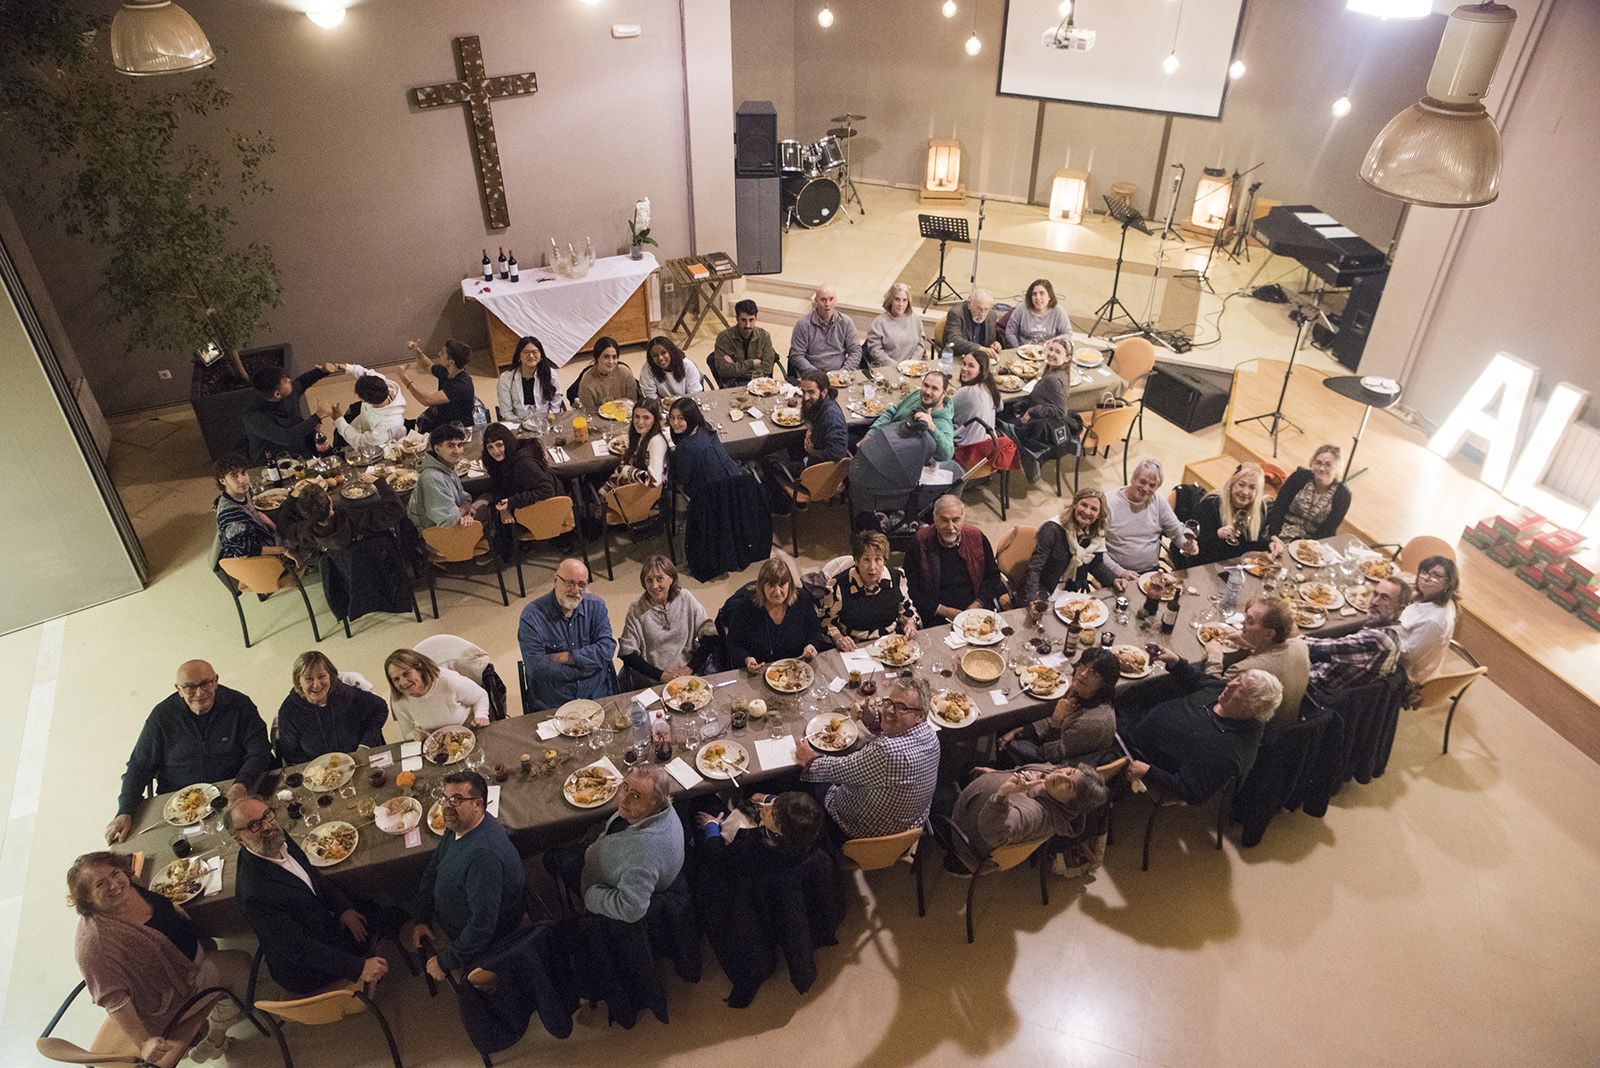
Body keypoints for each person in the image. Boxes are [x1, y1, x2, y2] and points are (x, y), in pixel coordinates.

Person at [68, 852, 251, 1065]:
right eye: (100, 884)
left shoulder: (129, 886)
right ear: (87, 899)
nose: (114, 884)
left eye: (115, 873)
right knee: (243, 966)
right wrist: (144, 1043)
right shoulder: (95, 944)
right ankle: (215, 1039)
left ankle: (208, 1031)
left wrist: (170, 907)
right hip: (173, 997)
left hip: (189, 964)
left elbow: (152, 902)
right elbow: (114, 1000)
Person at [231, 797, 396, 996]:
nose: (267, 825)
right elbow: (299, 950)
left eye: (267, 815)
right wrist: (357, 967)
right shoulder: (254, 894)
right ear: (239, 839)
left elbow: (312, 875)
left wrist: (343, 908)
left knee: (377, 909)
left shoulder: (276, 838)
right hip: (307, 968)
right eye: (254, 825)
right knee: (383, 918)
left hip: (320, 921)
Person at [106, 661, 271, 845]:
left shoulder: (240, 705)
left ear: (215, 681)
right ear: (178, 689)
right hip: (180, 808)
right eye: (190, 687)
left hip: (233, 793)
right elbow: (139, 766)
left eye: (205, 684)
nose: (199, 693)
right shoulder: (161, 717)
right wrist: (125, 811)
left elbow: (260, 751)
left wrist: (241, 785)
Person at [410, 771, 526, 981]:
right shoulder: (458, 825)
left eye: (456, 799)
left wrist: (446, 961)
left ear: (478, 804)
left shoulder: (483, 858)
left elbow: (482, 926)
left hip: (484, 938)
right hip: (451, 917)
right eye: (444, 798)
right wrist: (422, 916)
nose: (446, 806)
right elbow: (433, 869)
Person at [796, 676, 941, 841]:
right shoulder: (931, 735)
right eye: (888, 702)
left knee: (805, 782)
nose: (890, 710)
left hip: (862, 833)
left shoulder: (886, 752)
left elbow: (837, 769)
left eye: (901, 707)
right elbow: (898, 733)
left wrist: (810, 759)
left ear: (920, 716)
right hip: (908, 828)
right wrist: (873, 718)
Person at [1124, 669, 1285, 804]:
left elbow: (1193, 792)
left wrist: (1149, 771)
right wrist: (1177, 662)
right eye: (1238, 679)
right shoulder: (1227, 699)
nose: (1230, 684)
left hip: (1138, 742)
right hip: (1147, 712)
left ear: (1250, 709)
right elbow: (1200, 680)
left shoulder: (1226, 749)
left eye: (1240, 690)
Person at [578, 766, 686, 923]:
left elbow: (631, 909)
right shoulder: (663, 809)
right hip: (610, 855)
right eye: (626, 787)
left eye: (636, 796)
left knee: (554, 858)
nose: (624, 799)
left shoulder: (644, 856)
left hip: (601, 884)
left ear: (656, 803)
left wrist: (592, 897)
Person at [950, 763, 1106, 870]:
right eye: (1070, 772)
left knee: (939, 788)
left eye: (1069, 785)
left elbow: (994, 832)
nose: (1060, 775)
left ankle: (956, 865)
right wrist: (995, 774)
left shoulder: (1037, 815)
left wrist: (1002, 794)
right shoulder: (1053, 784)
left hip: (964, 830)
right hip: (978, 794)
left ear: (1069, 804)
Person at [517, 557, 617, 708]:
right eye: (570, 583)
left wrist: (568, 656)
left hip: (596, 695)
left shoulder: (596, 607)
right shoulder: (531, 616)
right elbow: (536, 667)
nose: (576, 590)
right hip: (553, 703)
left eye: (582, 585)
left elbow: (607, 649)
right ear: (555, 580)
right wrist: (585, 667)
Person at [1000, 646, 1120, 765]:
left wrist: (1056, 722)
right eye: (1082, 666)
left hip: (1062, 766)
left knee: (1008, 744)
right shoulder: (1080, 690)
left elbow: (1054, 758)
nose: (1082, 674)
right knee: (1009, 725)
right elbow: (1057, 718)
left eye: (1093, 673)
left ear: (1105, 684)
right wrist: (1018, 731)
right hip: (1057, 741)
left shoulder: (1093, 722)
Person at [1203, 596, 1311, 727]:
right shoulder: (1300, 645)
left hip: (1254, 734)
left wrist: (1215, 656)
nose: (1243, 624)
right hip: (1290, 728)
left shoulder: (1245, 671)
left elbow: (1209, 693)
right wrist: (1252, 643)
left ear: (1269, 634)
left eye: (1250, 621)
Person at [904, 494, 1007, 625]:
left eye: (956, 520)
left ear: (963, 519)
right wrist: (943, 610)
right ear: (934, 519)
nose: (951, 527)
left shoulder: (976, 536)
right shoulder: (919, 542)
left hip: (976, 609)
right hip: (937, 613)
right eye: (944, 520)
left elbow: (992, 577)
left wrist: (977, 604)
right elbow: (911, 588)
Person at [274, 651, 389, 765]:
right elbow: (291, 753)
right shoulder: (289, 711)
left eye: (322, 676)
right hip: (319, 774)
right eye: (309, 679)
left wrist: (365, 745)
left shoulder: (345, 693)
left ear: (330, 676)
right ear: (298, 682)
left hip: (357, 761)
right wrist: (315, 771)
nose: (317, 685)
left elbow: (380, 708)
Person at [618, 554, 714, 689]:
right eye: (649, 580)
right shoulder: (637, 609)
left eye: (660, 579)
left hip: (690, 673)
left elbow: (710, 635)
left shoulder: (685, 598)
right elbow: (627, 653)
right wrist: (661, 675)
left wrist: (689, 669)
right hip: (653, 680)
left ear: (671, 579)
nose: (654, 586)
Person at [1099, 459, 1198, 588]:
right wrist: (1120, 571)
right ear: (1133, 478)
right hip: (1117, 574)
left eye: (1152, 485)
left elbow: (1177, 530)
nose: (1145, 488)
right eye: (1142, 482)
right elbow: (1097, 548)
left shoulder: (1158, 502)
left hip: (1150, 573)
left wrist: (1186, 543)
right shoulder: (1108, 503)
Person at [819, 530, 919, 651]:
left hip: (891, 643)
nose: (872, 567)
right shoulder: (839, 585)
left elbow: (907, 611)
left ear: (885, 561)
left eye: (878, 559)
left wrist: (909, 624)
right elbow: (827, 622)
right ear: (857, 561)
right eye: (866, 559)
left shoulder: (897, 578)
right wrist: (839, 638)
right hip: (855, 647)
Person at [721, 557, 826, 672]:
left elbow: (815, 630)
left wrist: (811, 645)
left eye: (782, 585)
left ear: (789, 584)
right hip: (760, 671)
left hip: (796, 668)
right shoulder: (746, 606)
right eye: (771, 585)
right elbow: (734, 642)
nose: (777, 592)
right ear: (761, 586)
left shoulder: (802, 599)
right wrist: (746, 659)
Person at [1305, 577, 1410, 691]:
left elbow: (1323, 647)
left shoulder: (1379, 640)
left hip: (1317, 687)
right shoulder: (1395, 630)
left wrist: (1295, 637)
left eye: (1384, 598)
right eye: (1375, 594)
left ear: (1400, 608)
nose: (1374, 602)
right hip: (1334, 677)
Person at [242, 361, 340, 464]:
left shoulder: (289, 392)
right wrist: (316, 417)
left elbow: (302, 382)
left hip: (300, 451)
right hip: (272, 463)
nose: (289, 380)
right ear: (277, 394)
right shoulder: (254, 416)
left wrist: (322, 371)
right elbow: (285, 437)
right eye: (285, 381)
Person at [384, 648, 490, 742]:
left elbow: (481, 696)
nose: (402, 683)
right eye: (396, 679)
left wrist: (481, 715)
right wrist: (416, 735)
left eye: (406, 674)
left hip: (470, 732)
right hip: (436, 744)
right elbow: (407, 734)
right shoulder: (399, 701)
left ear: (420, 669)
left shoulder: (449, 682)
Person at [482, 422, 557, 553]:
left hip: (544, 503)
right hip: (523, 496)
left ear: (507, 442)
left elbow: (547, 490)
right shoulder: (499, 461)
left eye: (499, 445)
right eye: (490, 447)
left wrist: (511, 502)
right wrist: (504, 508)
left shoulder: (523, 463)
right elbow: (499, 486)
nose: (495, 451)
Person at [1024, 488, 1109, 600]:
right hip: (1044, 589)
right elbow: (1035, 568)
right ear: (1074, 504)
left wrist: (1114, 579)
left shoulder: (1097, 535)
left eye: (1094, 509)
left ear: (1099, 515)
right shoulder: (1052, 529)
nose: (1087, 512)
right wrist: (1033, 599)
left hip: (1071, 591)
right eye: (1083, 505)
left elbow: (1096, 565)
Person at [1265, 444, 1351, 548]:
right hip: (1280, 531)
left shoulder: (1343, 495)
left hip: (1313, 543)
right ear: (1312, 463)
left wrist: (1305, 549)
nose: (1321, 468)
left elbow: (1328, 529)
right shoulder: (1299, 477)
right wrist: (1275, 537)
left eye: (1328, 465)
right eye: (1318, 463)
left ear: (1337, 468)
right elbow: (1279, 508)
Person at [866, 368, 955, 463]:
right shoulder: (918, 395)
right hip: (883, 439)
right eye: (926, 385)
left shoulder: (943, 422)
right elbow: (892, 411)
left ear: (943, 394)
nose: (928, 392)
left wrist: (932, 427)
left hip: (897, 460)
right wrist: (871, 433)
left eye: (934, 388)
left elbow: (947, 454)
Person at [1190, 463, 1270, 566]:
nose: (1245, 492)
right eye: (1241, 484)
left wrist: (1270, 545)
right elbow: (1193, 545)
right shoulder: (1210, 505)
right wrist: (1217, 535)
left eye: (1252, 488)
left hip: (1235, 567)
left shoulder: (1260, 511)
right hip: (1204, 564)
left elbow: (1252, 546)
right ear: (1232, 484)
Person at [407, 423, 482, 530]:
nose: (457, 451)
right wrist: (465, 509)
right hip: (441, 536)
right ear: (437, 449)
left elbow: (463, 498)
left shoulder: (446, 467)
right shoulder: (432, 478)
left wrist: (464, 511)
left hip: (455, 522)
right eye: (450, 446)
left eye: (460, 445)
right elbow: (449, 520)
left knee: (487, 498)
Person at [1400, 555, 1459, 685]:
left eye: (1436, 576)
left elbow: (1406, 657)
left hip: (1405, 675)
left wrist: (1384, 630)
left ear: (1448, 583)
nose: (1426, 578)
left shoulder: (1434, 621)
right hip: (1402, 648)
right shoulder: (1443, 599)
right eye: (1424, 572)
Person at [212, 453, 283, 560]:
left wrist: (261, 515)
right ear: (222, 481)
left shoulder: (241, 492)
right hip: (260, 559)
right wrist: (284, 550)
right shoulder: (231, 515)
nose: (242, 480)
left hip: (263, 533)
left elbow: (252, 510)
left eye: (243, 473)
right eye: (234, 476)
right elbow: (244, 550)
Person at [400, 339, 477, 434]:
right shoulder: (447, 370)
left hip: (458, 427)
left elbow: (427, 400)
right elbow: (428, 366)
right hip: (445, 415)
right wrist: (417, 351)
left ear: (451, 362)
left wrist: (405, 379)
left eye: (443, 353)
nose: (439, 353)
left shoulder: (461, 385)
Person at [666, 398, 742, 494]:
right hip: (731, 477)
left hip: (710, 493)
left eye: (681, 418)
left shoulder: (686, 446)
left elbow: (683, 479)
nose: (675, 423)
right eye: (672, 417)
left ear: (690, 418)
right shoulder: (704, 426)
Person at [788, 284, 862, 376]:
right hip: (813, 376)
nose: (827, 304)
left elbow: (855, 350)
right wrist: (817, 374)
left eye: (831, 299)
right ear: (816, 301)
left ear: (836, 300)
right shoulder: (803, 325)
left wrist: (844, 371)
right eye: (823, 300)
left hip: (841, 375)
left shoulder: (846, 322)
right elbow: (796, 356)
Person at [329, 364, 407, 450]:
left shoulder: (390, 422)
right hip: (365, 424)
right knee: (339, 432)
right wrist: (348, 368)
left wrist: (339, 420)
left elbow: (362, 443)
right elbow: (367, 374)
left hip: (384, 445)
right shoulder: (381, 384)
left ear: (365, 401)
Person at [709, 299, 779, 386]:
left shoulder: (764, 336)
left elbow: (767, 369)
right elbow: (724, 370)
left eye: (751, 320)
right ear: (737, 318)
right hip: (735, 386)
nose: (747, 325)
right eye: (743, 320)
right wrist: (752, 363)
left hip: (759, 385)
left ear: (756, 318)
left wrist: (736, 367)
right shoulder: (724, 338)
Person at [496, 335, 566, 420]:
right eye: (526, 352)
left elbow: (556, 401)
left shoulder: (551, 374)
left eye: (535, 352)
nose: (531, 356)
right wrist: (523, 424)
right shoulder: (505, 379)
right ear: (519, 355)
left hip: (547, 420)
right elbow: (506, 412)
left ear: (541, 355)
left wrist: (549, 418)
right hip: (519, 422)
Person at [951, 349, 1002, 464]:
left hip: (966, 452)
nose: (964, 368)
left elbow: (943, 411)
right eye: (964, 364)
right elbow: (1000, 407)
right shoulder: (990, 388)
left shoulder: (966, 392)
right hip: (987, 452)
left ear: (981, 370)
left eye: (971, 366)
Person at [607, 397, 669, 488]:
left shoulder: (656, 442)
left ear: (655, 420)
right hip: (634, 488)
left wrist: (625, 470)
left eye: (646, 418)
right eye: (637, 416)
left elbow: (654, 481)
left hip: (646, 497)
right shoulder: (639, 436)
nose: (640, 422)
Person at [865, 282, 925, 367]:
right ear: (890, 300)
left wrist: (912, 363)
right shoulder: (879, 323)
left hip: (912, 367)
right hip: (888, 368)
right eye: (897, 299)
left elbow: (920, 344)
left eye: (904, 300)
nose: (901, 304)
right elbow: (876, 350)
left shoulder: (915, 319)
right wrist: (897, 366)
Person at [1003, 278, 1072, 349]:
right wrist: (1017, 349)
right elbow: (1010, 332)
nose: (1038, 297)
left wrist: (1054, 341)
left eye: (1042, 293)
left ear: (1049, 296)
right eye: (1034, 294)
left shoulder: (1058, 311)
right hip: (1023, 352)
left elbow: (1067, 334)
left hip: (1049, 353)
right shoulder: (1022, 309)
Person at [798, 370, 849, 464]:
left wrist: (812, 452)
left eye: (811, 392)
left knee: (769, 461)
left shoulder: (832, 416)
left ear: (823, 391)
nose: (805, 397)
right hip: (815, 445)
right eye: (803, 392)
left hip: (819, 469)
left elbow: (838, 453)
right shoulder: (821, 403)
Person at [577, 336, 639, 411]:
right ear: (597, 357)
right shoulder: (587, 381)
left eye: (614, 357)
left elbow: (633, 403)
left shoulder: (625, 373)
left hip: (624, 415)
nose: (611, 362)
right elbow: (590, 413)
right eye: (606, 357)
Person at [639, 334, 706, 400]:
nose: (660, 358)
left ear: (671, 351)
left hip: (686, 403)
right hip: (662, 404)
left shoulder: (687, 365)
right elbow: (649, 395)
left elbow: (695, 393)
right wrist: (663, 403)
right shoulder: (647, 369)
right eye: (655, 355)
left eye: (664, 352)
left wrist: (677, 404)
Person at [942, 289, 1002, 358]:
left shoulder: (992, 315)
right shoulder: (956, 314)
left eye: (986, 309)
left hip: (979, 359)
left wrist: (994, 344)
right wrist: (979, 348)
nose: (982, 314)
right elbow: (954, 340)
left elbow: (991, 340)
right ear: (969, 305)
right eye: (979, 309)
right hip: (956, 356)